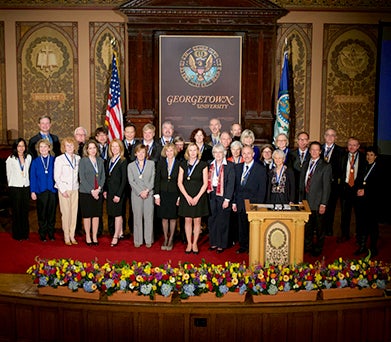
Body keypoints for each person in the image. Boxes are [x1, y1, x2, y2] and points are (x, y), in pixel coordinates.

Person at [299, 141, 332, 257]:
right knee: (307, 227)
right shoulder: (306, 164)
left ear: (320, 151)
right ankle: (307, 246)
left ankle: (318, 249)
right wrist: (300, 200)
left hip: (318, 203)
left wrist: (323, 203)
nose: (314, 152)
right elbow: (302, 184)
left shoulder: (326, 166)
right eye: (312, 149)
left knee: (319, 229)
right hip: (306, 202)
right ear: (309, 151)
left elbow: (327, 187)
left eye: (316, 150)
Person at [232, 145, 267, 254]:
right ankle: (243, 246)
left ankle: (252, 247)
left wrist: (259, 205)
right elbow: (234, 187)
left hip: (254, 203)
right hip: (240, 202)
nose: (246, 156)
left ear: (253, 154)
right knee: (241, 226)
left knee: (252, 226)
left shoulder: (260, 169)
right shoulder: (237, 167)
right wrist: (234, 202)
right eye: (244, 153)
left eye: (248, 153)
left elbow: (262, 189)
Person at [178, 143, 209, 254]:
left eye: (194, 150)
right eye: (190, 150)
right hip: (186, 195)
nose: (192, 152)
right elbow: (179, 182)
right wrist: (186, 197)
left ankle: (195, 243)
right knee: (187, 220)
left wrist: (197, 197)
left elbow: (205, 184)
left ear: (198, 151)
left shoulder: (203, 165)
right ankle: (189, 243)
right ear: (187, 152)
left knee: (197, 220)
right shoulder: (182, 164)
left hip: (199, 196)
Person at [207, 144, 235, 253]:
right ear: (213, 154)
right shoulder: (210, 164)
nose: (218, 154)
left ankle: (221, 244)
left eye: (220, 152)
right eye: (215, 152)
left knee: (222, 220)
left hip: (223, 195)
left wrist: (227, 199)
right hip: (212, 193)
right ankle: (213, 242)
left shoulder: (229, 165)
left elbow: (231, 184)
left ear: (224, 153)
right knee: (212, 219)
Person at [54, 137, 80, 245]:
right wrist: (62, 190)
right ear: (64, 147)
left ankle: (72, 235)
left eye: (71, 145)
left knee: (74, 213)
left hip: (75, 189)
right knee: (66, 214)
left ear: (75, 146)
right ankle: (66, 236)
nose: (69, 147)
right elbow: (57, 176)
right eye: (67, 145)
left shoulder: (78, 158)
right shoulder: (59, 159)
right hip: (64, 190)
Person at [339, 137, 366, 243]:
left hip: (357, 189)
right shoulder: (342, 156)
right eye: (350, 144)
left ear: (358, 146)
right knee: (345, 214)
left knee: (359, 214)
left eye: (354, 145)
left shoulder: (364, 158)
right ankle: (344, 234)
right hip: (345, 188)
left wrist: (362, 188)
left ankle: (359, 236)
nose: (352, 147)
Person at [128, 144, 155, 248]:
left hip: (149, 193)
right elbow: (131, 181)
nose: (141, 154)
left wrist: (147, 190)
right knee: (137, 217)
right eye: (139, 152)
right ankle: (138, 240)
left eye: (143, 152)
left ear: (146, 154)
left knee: (149, 217)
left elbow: (153, 179)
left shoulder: (151, 164)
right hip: (136, 194)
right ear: (135, 153)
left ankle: (148, 239)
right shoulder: (130, 166)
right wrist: (140, 192)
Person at [78, 140, 105, 246]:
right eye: (90, 148)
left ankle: (94, 236)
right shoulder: (83, 161)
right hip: (86, 192)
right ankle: (88, 236)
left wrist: (98, 189)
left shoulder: (100, 160)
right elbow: (82, 178)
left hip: (98, 192)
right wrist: (92, 190)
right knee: (87, 215)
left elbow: (103, 176)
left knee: (96, 215)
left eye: (94, 148)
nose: (93, 150)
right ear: (86, 150)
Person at [30, 139, 57, 242]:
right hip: (40, 191)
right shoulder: (35, 161)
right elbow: (33, 177)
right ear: (38, 149)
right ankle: (42, 233)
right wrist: (33, 191)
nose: (43, 149)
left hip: (52, 190)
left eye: (45, 147)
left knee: (51, 213)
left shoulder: (54, 160)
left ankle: (51, 233)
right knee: (42, 214)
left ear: (49, 148)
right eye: (41, 147)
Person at [154, 143, 180, 251]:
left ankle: (171, 239)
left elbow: (181, 181)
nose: (169, 153)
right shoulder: (160, 163)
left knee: (173, 217)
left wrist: (179, 197)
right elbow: (157, 179)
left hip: (174, 193)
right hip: (163, 193)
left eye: (171, 150)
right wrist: (157, 195)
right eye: (167, 151)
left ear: (174, 151)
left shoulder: (179, 163)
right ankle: (165, 238)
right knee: (164, 217)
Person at [355, 146, 381, 256]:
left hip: (372, 201)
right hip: (361, 201)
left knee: (372, 225)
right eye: (367, 155)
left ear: (375, 156)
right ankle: (362, 246)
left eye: (371, 155)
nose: (369, 157)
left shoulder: (379, 168)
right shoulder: (363, 166)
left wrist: (365, 191)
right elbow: (358, 180)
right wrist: (358, 189)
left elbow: (379, 186)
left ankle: (373, 247)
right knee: (361, 224)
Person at [5, 138, 31, 241]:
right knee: (17, 211)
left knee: (25, 211)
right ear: (16, 147)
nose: (21, 148)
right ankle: (17, 234)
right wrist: (10, 187)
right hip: (15, 187)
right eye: (19, 146)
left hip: (25, 187)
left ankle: (25, 233)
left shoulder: (28, 157)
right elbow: (8, 174)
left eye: (23, 146)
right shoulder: (11, 159)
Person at [104, 139, 128, 247]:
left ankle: (115, 236)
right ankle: (121, 231)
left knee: (118, 214)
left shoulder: (123, 161)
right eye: (112, 146)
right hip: (110, 191)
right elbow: (106, 177)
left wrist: (119, 194)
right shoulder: (109, 160)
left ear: (121, 148)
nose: (114, 148)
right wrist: (105, 190)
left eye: (117, 146)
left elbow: (124, 180)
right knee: (112, 212)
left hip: (119, 192)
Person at [321, 128, 344, 236]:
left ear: (335, 137)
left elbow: (342, 169)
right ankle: (319, 228)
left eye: (332, 135)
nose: (330, 137)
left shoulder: (341, 151)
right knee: (319, 206)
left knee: (330, 207)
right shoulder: (318, 148)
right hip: (319, 184)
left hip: (333, 184)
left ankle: (328, 229)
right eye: (328, 135)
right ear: (324, 136)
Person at [122, 122, 139, 235]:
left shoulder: (138, 145)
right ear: (124, 133)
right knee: (122, 206)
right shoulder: (119, 145)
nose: (129, 134)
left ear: (134, 133)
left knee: (134, 207)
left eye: (131, 132)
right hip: (122, 181)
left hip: (135, 181)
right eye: (127, 132)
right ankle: (121, 229)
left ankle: (133, 229)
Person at [74, 126, 87, 236]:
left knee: (85, 207)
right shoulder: (71, 148)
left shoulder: (88, 148)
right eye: (78, 135)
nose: (81, 137)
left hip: (86, 182)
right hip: (74, 182)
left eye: (83, 135)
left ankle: (87, 228)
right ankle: (76, 227)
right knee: (75, 207)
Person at [289, 131, 310, 202]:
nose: (303, 142)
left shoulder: (312, 154)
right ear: (297, 141)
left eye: (305, 140)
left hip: (308, 188)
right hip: (295, 187)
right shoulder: (291, 154)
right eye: (300, 139)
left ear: (308, 141)